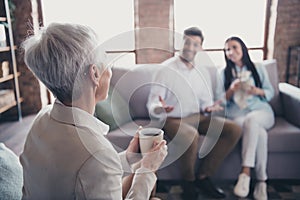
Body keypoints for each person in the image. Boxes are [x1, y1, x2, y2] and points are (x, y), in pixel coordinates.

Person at [20, 23, 168, 200]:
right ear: (95, 74)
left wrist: (128, 158)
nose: (110, 70)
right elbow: (93, 166)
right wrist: (147, 170)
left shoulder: (41, 119)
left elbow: (85, 175)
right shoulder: (97, 154)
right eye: (106, 62)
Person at [147, 27, 242, 199]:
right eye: (187, 42)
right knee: (191, 135)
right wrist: (160, 108)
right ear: (180, 43)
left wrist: (209, 108)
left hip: (198, 116)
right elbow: (153, 101)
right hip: (173, 119)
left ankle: (204, 176)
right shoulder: (164, 69)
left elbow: (205, 101)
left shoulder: (202, 71)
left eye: (195, 44)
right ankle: (188, 182)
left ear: (200, 48)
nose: (190, 47)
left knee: (233, 129)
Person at [222, 36, 275, 200]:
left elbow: (271, 93)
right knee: (260, 134)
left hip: (261, 112)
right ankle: (261, 182)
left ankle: (245, 172)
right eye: (227, 50)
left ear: (243, 49)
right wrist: (231, 89)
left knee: (252, 120)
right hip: (237, 114)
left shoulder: (258, 68)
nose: (231, 52)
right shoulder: (223, 73)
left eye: (234, 47)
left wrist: (256, 91)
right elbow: (221, 100)